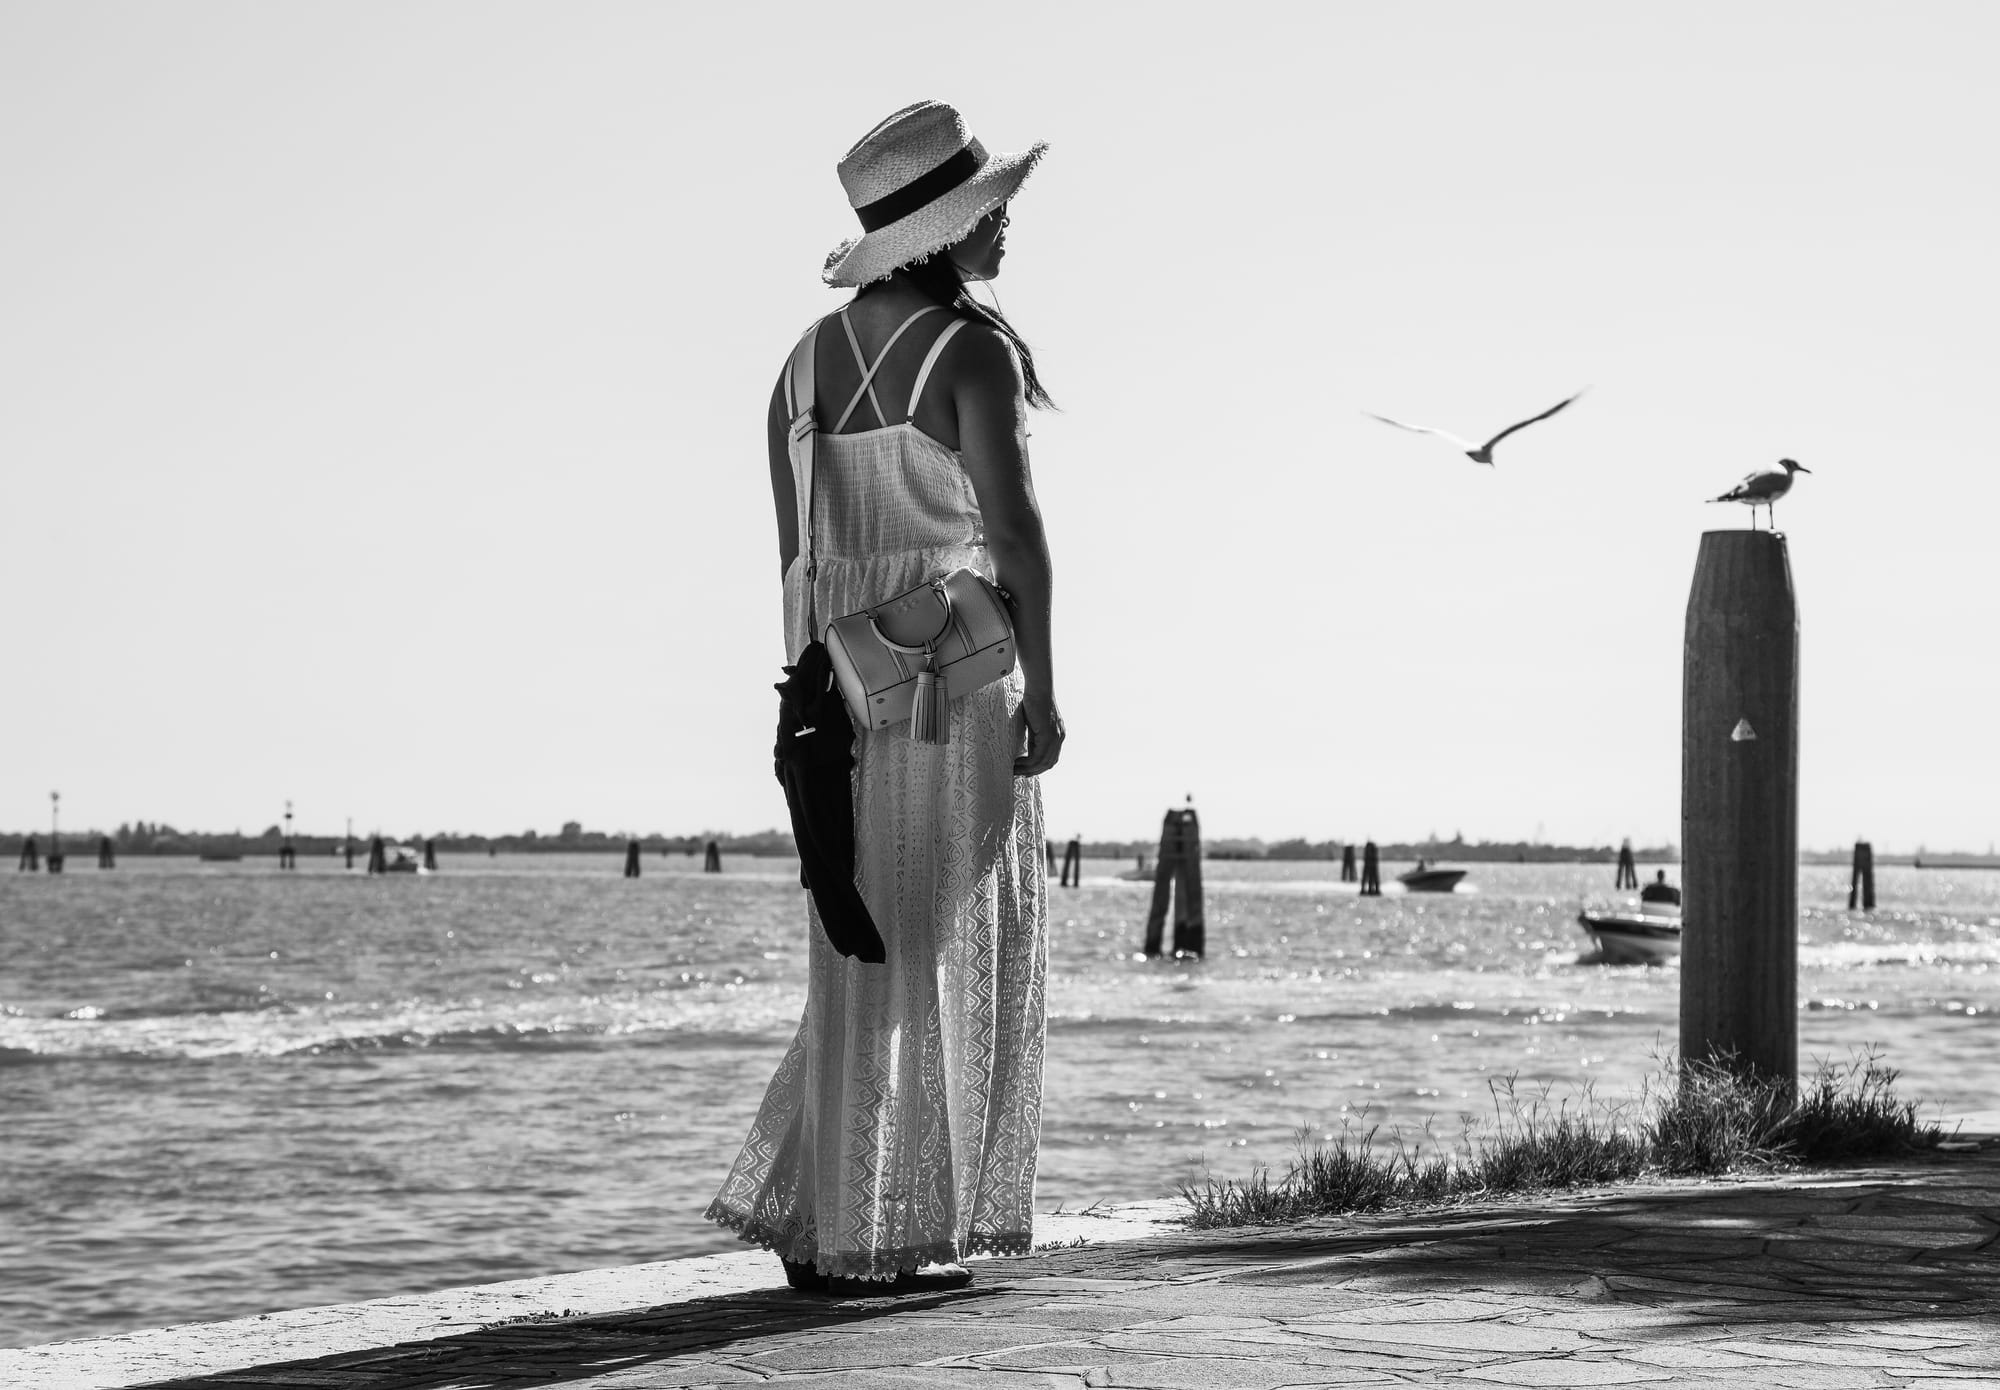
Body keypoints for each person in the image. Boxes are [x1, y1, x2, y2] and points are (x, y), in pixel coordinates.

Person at [705, 100, 1062, 1296]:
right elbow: (1013, 539)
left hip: (832, 691)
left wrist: (808, 711)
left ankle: (828, 1223)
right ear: (936, 230)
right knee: (938, 948)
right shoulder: (969, 353)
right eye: (985, 208)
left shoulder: (799, 367)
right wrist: (1047, 695)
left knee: (858, 951)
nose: (1003, 223)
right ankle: (880, 1228)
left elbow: (794, 562)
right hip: (947, 684)